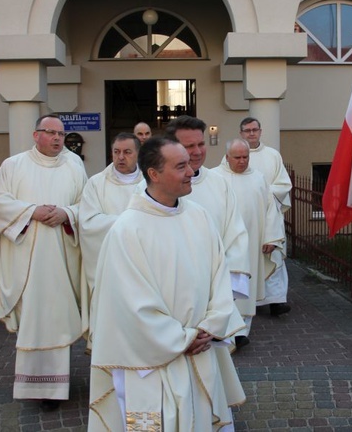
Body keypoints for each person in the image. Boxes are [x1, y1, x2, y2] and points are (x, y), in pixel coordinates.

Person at [88, 137, 246, 431]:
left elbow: (219, 277)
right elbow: (130, 306)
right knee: (149, 424)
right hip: (148, 363)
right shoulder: (127, 230)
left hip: (200, 350)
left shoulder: (199, 217)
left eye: (189, 164)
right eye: (181, 166)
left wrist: (212, 325)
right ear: (154, 174)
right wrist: (183, 338)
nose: (191, 172)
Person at [0, 113, 88, 411]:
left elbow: (87, 203)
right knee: (34, 320)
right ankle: (35, 385)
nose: (57, 138)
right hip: (26, 259)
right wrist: (31, 212)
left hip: (61, 259)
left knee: (56, 317)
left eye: (61, 134)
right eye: (50, 132)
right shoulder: (13, 165)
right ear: (35, 135)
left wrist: (67, 214)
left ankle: (55, 387)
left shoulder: (74, 165)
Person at [163, 116, 252, 314]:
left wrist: (229, 286)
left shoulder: (219, 184)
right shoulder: (153, 188)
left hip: (214, 290)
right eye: (189, 146)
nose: (197, 152)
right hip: (170, 292)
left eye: (201, 144)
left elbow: (235, 233)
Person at [213, 139, 285, 349]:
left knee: (247, 287)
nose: (242, 161)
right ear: (227, 157)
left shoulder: (258, 179)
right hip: (224, 244)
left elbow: (271, 210)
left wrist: (270, 237)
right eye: (237, 157)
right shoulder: (215, 178)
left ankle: (243, 331)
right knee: (225, 286)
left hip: (252, 244)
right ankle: (226, 329)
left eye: (245, 157)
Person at [78, 132, 143, 349]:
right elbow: (88, 223)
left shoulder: (150, 182)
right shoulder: (96, 184)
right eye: (116, 152)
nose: (121, 157)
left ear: (138, 154)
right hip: (108, 264)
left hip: (143, 264)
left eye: (127, 152)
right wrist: (128, 223)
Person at [236, 116, 293, 316]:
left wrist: (265, 195)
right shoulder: (234, 155)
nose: (251, 133)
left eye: (255, 129)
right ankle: (247, 301)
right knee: (248, 257)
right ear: (241, 133)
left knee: (273, 254)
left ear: (260, 131)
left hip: (270, 216)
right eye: (247, 130)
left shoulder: (272, 155)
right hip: (246, 217)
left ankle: (276, 301)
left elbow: (284, 184)